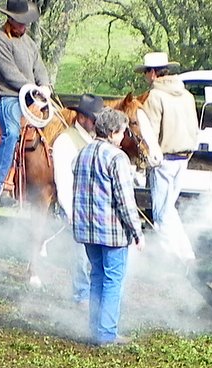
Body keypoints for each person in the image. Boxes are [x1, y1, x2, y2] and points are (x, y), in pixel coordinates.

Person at [72, 108, 142, 345]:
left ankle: (95, 329)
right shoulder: (116, 158)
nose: (123, 137)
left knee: (97, 277)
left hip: (87, 230)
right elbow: (125, 200)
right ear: (112, 133)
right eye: (122, 132)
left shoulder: (82, 153)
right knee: (113, 280)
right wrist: (137, 232)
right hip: (111, 232)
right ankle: (107, 333)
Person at [135, 51, 200, 259]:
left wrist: (144, 162)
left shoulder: (154, 97)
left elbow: (150, 134)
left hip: (164, 159)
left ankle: (171, 258)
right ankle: (186, 253)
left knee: (162, 213)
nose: (145, 76)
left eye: (146, 72)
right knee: (169, 208)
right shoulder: (187, 95)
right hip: (184, 158)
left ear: (153, 73)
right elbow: (194, 129)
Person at [0, 0, 50, 208]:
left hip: (31, 96)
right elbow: (9, 74)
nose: (24, 26)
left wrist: (45, 85)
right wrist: (33, 88)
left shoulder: (29, 43)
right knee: (12, 133)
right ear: (10, 19)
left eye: (26, 23)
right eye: (21, 22)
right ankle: (0, 186)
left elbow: (39, 67)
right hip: (8, 96)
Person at [52, 94, 106, 303]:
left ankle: (91, 294)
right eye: (94, 119)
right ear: (82, 118)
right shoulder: (66, 141)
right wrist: (70, 210)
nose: (97, 124)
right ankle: (81, 294)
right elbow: (63, 180)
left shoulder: (92, 140)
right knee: (80, 255)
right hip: (77, 207)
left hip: (95, 207)